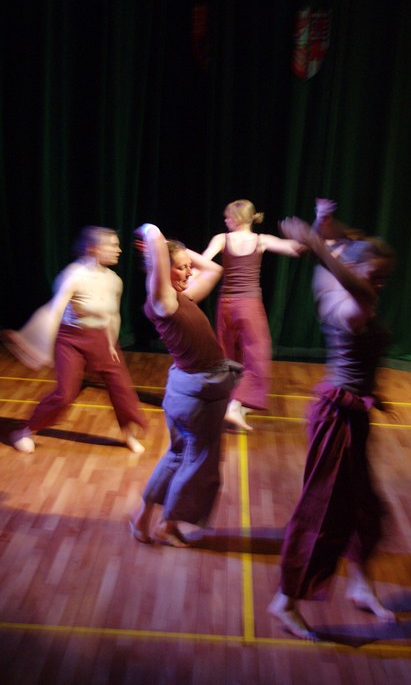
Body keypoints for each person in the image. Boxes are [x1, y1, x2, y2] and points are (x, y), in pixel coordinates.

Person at [268, 216, 396, 640]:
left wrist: (323, 230)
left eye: (385, 278)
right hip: (334, 418)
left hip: (354, 414)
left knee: (367, 512)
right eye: (375, 275)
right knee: (322, 513)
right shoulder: (350, 303)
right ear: (354, 270)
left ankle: (360, 585)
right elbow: (358, 286)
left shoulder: (333, 281)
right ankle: (285, 601)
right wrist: (320, 244)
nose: (380, 285)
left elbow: (341, 258)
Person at [129, 223, 242, 546]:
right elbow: (153, 236)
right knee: (199, 464)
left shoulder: (182, 297)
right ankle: (168, 526)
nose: (190, 272)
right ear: (161, 270)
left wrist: (179, 252)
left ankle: (142, 518)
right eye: (181, 268)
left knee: (177, 455)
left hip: (187, 390)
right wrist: (153, 236)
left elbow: (214, 269)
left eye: (188, 266)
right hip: (199, 394)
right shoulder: (164, 301)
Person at [2, 227, 149, 454]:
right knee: (65, 393)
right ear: (94, 248)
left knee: (121, 388)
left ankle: (128, 434)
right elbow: (54, 311)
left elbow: (113, 315)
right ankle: (24, 431)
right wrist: (39, 345)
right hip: (71, 339)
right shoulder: (73, 275)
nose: (119, 250)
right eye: (113, 245)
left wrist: (111, 343)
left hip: (101, 338)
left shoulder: (114, 280)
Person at [202, 199, 304, 431]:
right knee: (256, 355)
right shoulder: (261, 240)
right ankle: (234, 405)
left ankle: (233, 403)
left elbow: (203, 261)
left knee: (230, 354)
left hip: (226, 305)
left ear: (238, 218)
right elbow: (294, 248)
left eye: (228, 216)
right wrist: (318, 238)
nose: (225, 220)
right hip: (249, 306)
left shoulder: (221, 239)